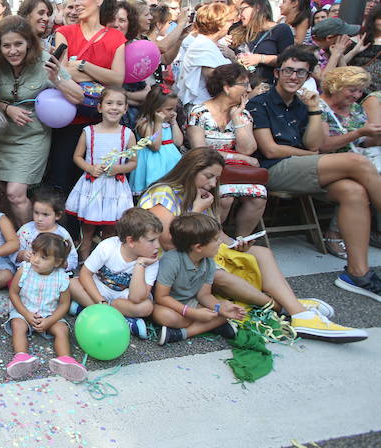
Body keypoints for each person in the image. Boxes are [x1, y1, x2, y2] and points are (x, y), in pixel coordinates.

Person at [139, 147, 367, 341]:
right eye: (208, 176)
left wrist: (235, 244)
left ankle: (295, 310)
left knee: (260, 252)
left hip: (197, 254)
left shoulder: (202, 195)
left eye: (216, 178)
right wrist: (197, 210)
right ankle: (290, 309)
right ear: (191, 171)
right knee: (217, 274)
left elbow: (216, 235)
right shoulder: (164, 193)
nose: (212, 183)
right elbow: (168, 241)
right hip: (169, 261)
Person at [248, 47, 381, 300]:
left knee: (354, 191)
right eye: (288, 70)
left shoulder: (304, 103)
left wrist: (314, 110)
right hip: (273, 169)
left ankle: (357, 273)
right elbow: (271, 149)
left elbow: (313, 145)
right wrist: (316, 157)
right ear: (277, 73)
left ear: (307, 75)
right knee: (357, 162)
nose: (293, 77)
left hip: (304, 167)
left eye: (300, 72)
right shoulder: (260, 102)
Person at [0, 16, 82, 223]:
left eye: (18, 44)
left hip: (32, 137)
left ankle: (32, 242)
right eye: (6, 45)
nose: (13, 51)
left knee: (15, 193)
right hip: (0, 137)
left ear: (29, 43)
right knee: (3, 194)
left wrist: (56, 78)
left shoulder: (45, 60)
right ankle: (12, 240)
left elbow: (78, 96)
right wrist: (6, 108)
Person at [48, 0, 126, 211]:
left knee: (99, 186)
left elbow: (118, 79)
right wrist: (100, 74)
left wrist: (82, 65)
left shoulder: (115, 37)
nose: (77, 2)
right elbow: (62, 74)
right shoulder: (65, 32)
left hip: (102, 123)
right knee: (62, 182)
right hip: (68, 119)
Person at [187, 64, 266, 236]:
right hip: (206, 168)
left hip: (234, 171)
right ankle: (212, 238)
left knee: (259, 195)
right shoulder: (199, 113)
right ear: (227, 87)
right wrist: (241, 158)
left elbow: (247, 149)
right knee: (225, 196)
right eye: (244, 85)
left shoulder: (243, 114)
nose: (249, 89)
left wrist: (237, 118)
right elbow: (200, 150)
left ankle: (241, 241)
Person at [153, 213, 246, 344]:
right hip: (168, 305)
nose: (220, 242)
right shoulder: (171, 261)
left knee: (226, 310)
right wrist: (192, 313)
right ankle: (208, 325)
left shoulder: (208, 261)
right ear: (198, 247)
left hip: (192, 303)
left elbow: (204, 295)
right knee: (164, 316)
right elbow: (161, 297)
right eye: (215, 239)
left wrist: (220, 308)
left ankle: (180, 333)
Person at [317, 66, 381, 257]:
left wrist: (374, 136)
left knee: (363, 173)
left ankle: (373, 232)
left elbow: (364, 142)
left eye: (360, 91)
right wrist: (359, 132)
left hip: (356, 160)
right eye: (352, 89)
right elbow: (324, 145)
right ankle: (335, 234)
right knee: (358, 180)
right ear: (336, 86)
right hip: (326, 162)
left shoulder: (354, 109)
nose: (356, 95)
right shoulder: (318, 107)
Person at [65, 87, 136, 260]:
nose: (114, 107)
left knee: (111, 229)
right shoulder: (89, 132)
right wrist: (89, 168)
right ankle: (83, 259)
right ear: (100, 107)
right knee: (88, 228)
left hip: (115, 189)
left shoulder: (127, 134)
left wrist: (118, 169)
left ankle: (104, 261)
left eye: (119, 104)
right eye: (109, 103)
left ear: (126, 108)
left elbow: (133, 163)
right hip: (93, 186)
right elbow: (77, 156)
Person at [70, 207, 162, 337]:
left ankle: (88, 309)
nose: (158, 245)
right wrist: (100, 301)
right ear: (131, 241)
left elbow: (136, 298)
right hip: (98, 292)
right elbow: (85, 274)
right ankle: (122, 319)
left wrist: (140, 264)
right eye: (152, 240)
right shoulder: (108, 247)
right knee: (72, 284)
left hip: (123, 300)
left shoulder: (151, 260)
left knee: (146, 307)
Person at [5, 233, 85, 381]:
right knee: (18, 325)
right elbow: (14, 294)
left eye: (43, 257)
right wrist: (27, 314)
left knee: (62, 329)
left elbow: (64, 304)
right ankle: (21, 357)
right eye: (34, 253)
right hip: (25, 310)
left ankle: (65, 360)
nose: (35, 259)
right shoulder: (25, 270)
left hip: (50, 314)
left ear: (57, 262)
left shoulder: (62, 277)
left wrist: (50, 321)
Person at [174, 3, 235, 109]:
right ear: (220, 24)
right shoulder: (201, 45)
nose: (232, 24)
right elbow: (214, 78)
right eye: (230, 21)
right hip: (203, 107)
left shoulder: (209, 44)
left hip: (213, 106)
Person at [130, 84, 183, 195]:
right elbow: (155, 146)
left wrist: (174, 122)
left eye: (174, 109)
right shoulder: (145, 124)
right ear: (155, 108)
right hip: (154, 165)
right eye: (169, 109)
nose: (173, 112)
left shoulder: (169, 123)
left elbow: (178, 142)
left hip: (170, 163)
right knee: (154, 193)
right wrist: (158, 123)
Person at [14, 186, 76, 273]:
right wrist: (22, 255)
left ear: (58, 215)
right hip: (29, 273)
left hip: (54, 276)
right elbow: (13, 251)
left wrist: (58, 263)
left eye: (45, 214)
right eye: (36, 213)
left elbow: (72, 258)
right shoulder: (26, 230)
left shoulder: (62, 234)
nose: (39, 218)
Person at [233, 0, 294, 84]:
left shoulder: (281, 29)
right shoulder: (241, 32)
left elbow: (289, 60)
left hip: (268, 86)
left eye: (242, 9)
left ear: (257, 9)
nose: (240, 15)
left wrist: (260, 58)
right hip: (244, 85)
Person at [341, 4, 381, 94]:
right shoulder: (357, 39)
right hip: (354, 88)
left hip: (377, 93)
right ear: (373, 19)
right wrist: (354, 52)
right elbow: (339, 64)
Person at [309, 17, 361, 86]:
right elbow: (323, 81)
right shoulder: (309, 51)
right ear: (329, 38)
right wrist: (336, 53)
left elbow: (345, 76)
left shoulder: (327, 48)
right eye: (344, 35)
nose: (348, 38)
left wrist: (353, 51)